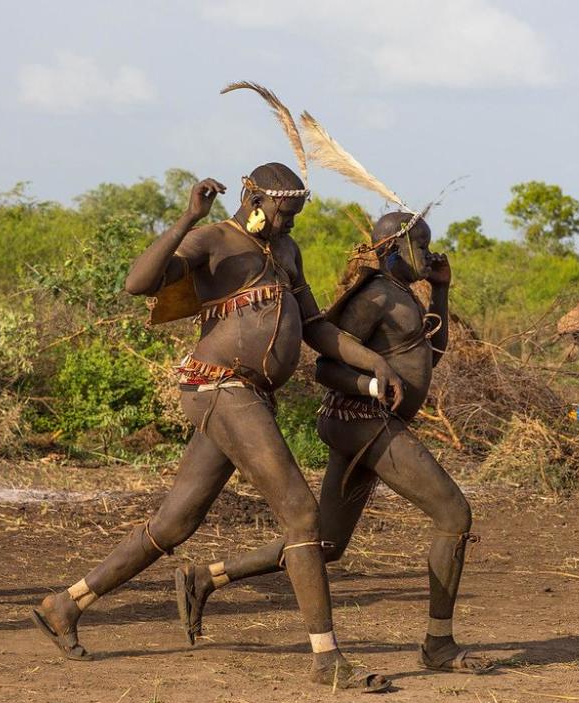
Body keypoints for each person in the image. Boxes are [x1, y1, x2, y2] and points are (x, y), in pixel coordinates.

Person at [31, 164, 400, 692]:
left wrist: (374, 364)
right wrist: (186, 217)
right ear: (252, 196)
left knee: (174, 525)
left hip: (250, 397)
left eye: (296, 213)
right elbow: (138, 284)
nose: (288, 221)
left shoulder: (286, 252)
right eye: (282, 211)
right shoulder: (211, 240)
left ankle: (65, 604)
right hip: (219, 389)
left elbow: (316, 326)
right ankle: (327, 659)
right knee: (301, 513)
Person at [179, 211, 493, 673]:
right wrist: (370, 385)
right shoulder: (374, 295)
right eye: (421, 246)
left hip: (366, 422)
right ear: (393, 247)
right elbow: (325, 366)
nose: (428, 254)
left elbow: (435, 350)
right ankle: (439, 645)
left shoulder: (404, 295)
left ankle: (209, 576)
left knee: (325, 543)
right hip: (363, 419)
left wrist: (441, 290)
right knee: (453, 513)